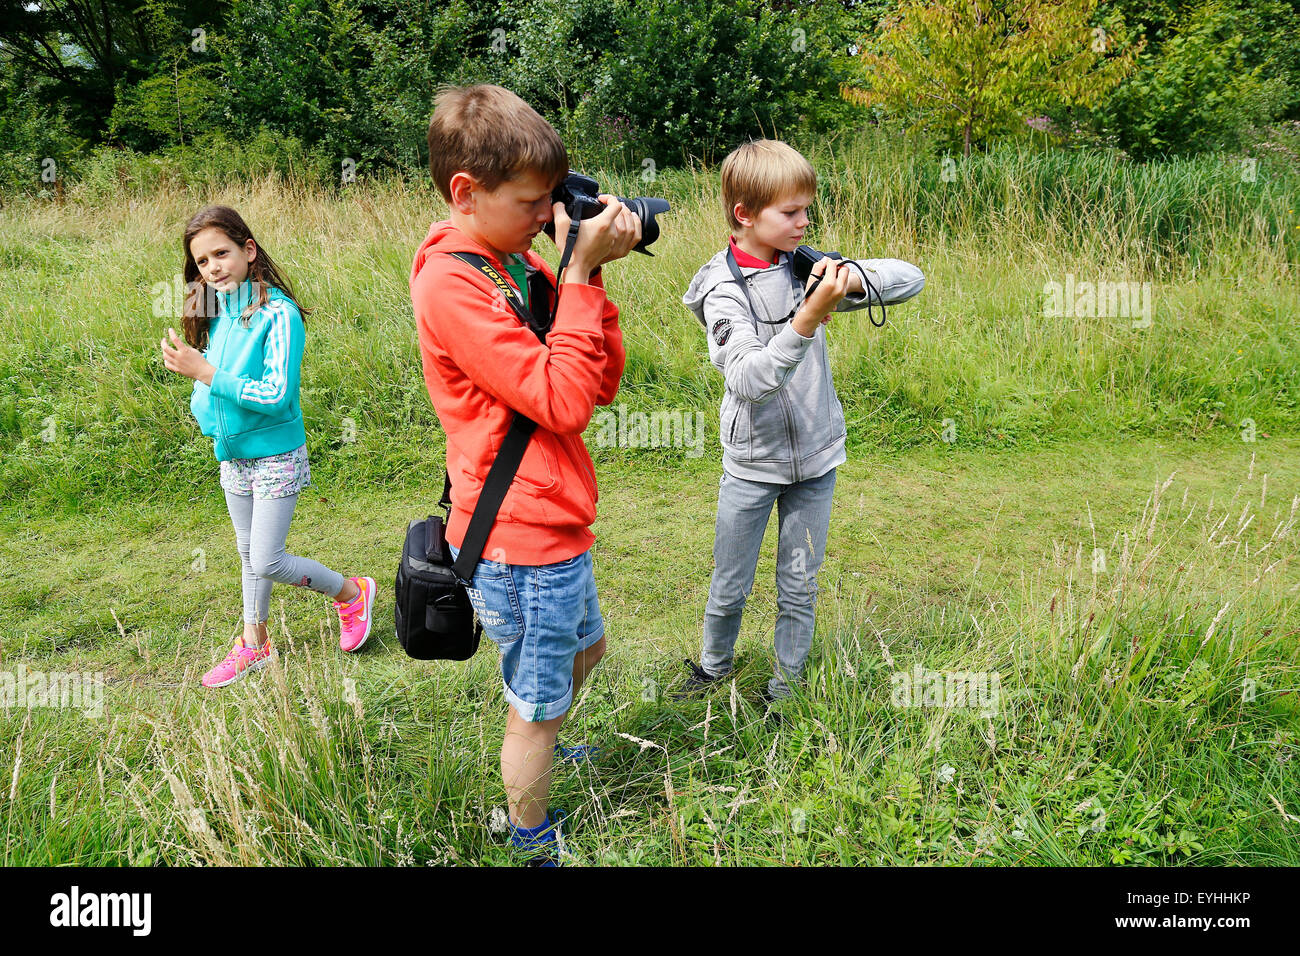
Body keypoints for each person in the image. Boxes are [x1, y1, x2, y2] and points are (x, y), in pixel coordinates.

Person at [410, 84, 640, 865]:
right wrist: (573, 277)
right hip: (519, 537)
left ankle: (542, 752)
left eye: (553, 204)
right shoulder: (453, 283)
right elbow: (563, 400)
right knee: (536, 707)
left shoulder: (514, 262)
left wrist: (588, 276)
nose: (548, 218)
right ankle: (532, 836)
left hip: (556, 518)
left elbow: (599, 379)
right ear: (465, 193)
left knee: (588, 652)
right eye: (533, 203)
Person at [678, 139, 925, 709]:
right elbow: (750, 378)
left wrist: (844, 277)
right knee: (730, 582)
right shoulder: (721, 289)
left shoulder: (803, 265)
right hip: (752, 464)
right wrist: (808, 318)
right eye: (790, 212)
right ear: (744, 214)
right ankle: (714, 668)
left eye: (807, 209)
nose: (803, 220)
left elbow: (910, 279)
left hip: (817, 459)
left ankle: (786, 687)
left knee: (799, 582)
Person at [161, 205, 376, 688]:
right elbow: (214, 390)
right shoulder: (214, 313)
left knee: (267, 560)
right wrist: (200, 389)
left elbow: (276, 396)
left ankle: (352, 592)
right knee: (247, 554)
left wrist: (206, 374)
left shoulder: (277, 313)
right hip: (232, 456)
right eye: (202, 261)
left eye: (222, 253)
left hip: (276, 454)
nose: (213, 267)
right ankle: (254, 644)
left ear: (248, 250)